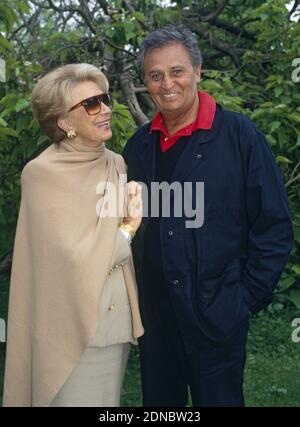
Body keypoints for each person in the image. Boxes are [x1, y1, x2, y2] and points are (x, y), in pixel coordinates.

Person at [122, 24, 294, 407]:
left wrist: (243, 300)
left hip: (216, 321)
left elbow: (274, 227)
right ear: (145, 82)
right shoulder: (138, 146)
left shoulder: (239, 136)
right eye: (155, 75)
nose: (167, 84)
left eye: (177, 71)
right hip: (156, 324)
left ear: (198, 72)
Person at [3, 63, 144, 407]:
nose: (106, 109)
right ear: (64, 123)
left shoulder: (117, 163)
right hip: (69, 327)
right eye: (92, 104)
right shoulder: (41, 174)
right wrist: (129, 226)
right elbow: (75, 260)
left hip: (114, 321)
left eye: (105, 99)